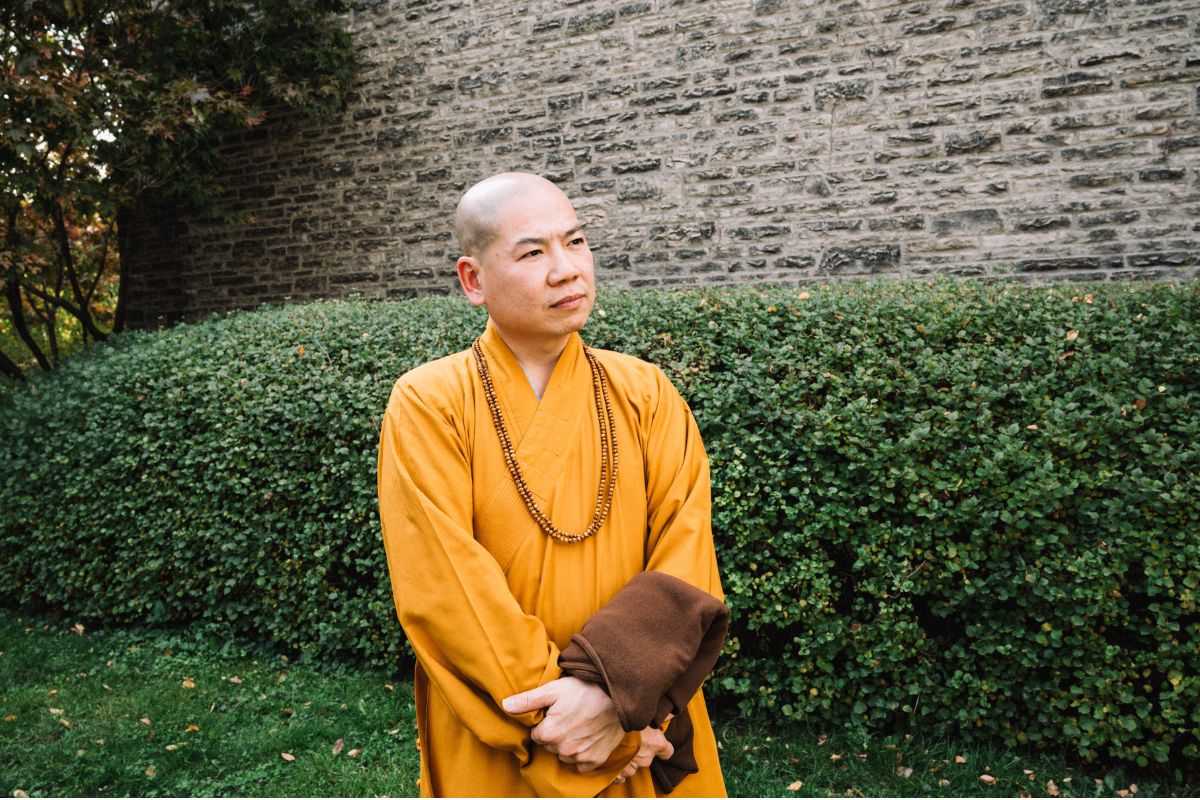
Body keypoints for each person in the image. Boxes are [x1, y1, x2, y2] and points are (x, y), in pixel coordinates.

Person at [376, 172, 726, 797]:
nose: (567, 270)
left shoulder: (646, 392)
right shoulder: (431, 403)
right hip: (518, 729)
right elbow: (447, 591)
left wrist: (617, 695)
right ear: (473, 280)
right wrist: (576, 722)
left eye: (577, 242)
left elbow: (686, 557)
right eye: (533, 252)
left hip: (642, 709)